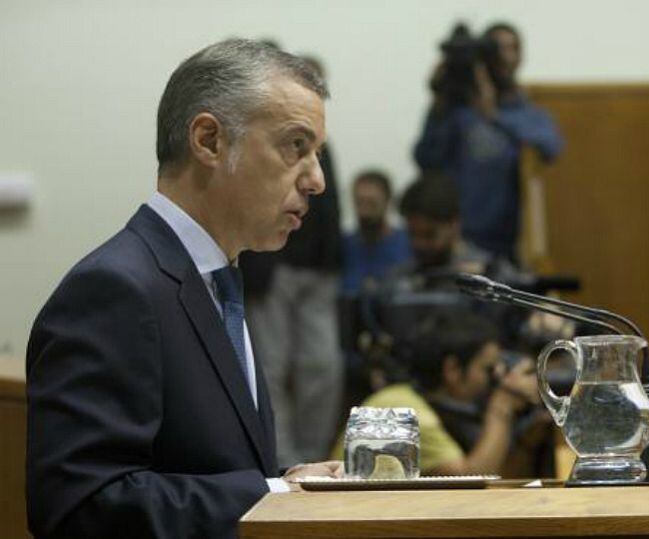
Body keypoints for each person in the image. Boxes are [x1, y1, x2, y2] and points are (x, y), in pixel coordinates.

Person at [25, 39, 343, 539]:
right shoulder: (114, 289)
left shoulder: (218, 281)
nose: (318, 181)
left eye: (318, 154)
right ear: (209, 141)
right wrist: (272, 496)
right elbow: (79, 507)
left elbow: (206, 465)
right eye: (295, 147)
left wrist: (286, 484)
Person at [242, 53, 346, 470]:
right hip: (272, 270)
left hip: (317, 271)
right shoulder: (270, 145)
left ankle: (313, 455)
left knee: (323, 365)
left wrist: (334, 266)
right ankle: (283, 462)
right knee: (271, 365)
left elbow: (330, 207)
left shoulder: (322, 147)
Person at [414, 22, 564, 263]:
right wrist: (439, 102)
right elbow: (425, 160)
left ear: (520, 56)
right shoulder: (457, 112)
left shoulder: (526, 112)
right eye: (497, 50)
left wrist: (494, 116)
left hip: (506, 245)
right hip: (457, 242)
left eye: (511, 48)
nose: (504, 58)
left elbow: (551, 147)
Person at [333, 311, 541, 476]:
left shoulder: (412, 400)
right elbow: (470, 479)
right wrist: (501, 408)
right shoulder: (404, 412)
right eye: (487, 369)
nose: (492, 380)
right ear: (452, 369)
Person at [341, 170, 411, 295]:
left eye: (371, 203)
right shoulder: (342, 247)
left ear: (388, 201)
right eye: (359, 203)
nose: (365, 212)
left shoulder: (410, 243)